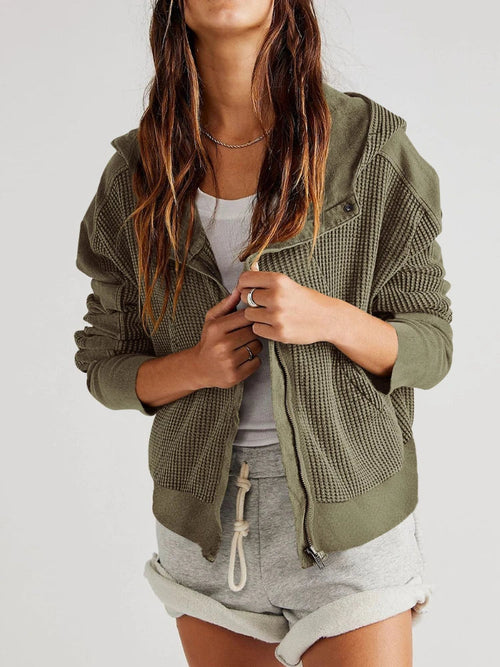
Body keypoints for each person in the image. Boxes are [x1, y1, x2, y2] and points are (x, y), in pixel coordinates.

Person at [74, 1, 453, 665]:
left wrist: (329, 318)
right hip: (203, 532)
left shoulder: (367, 150)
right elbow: (104, 365)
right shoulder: (138, 174)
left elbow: (432, 345)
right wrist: (196, 365)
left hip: (349, 524)